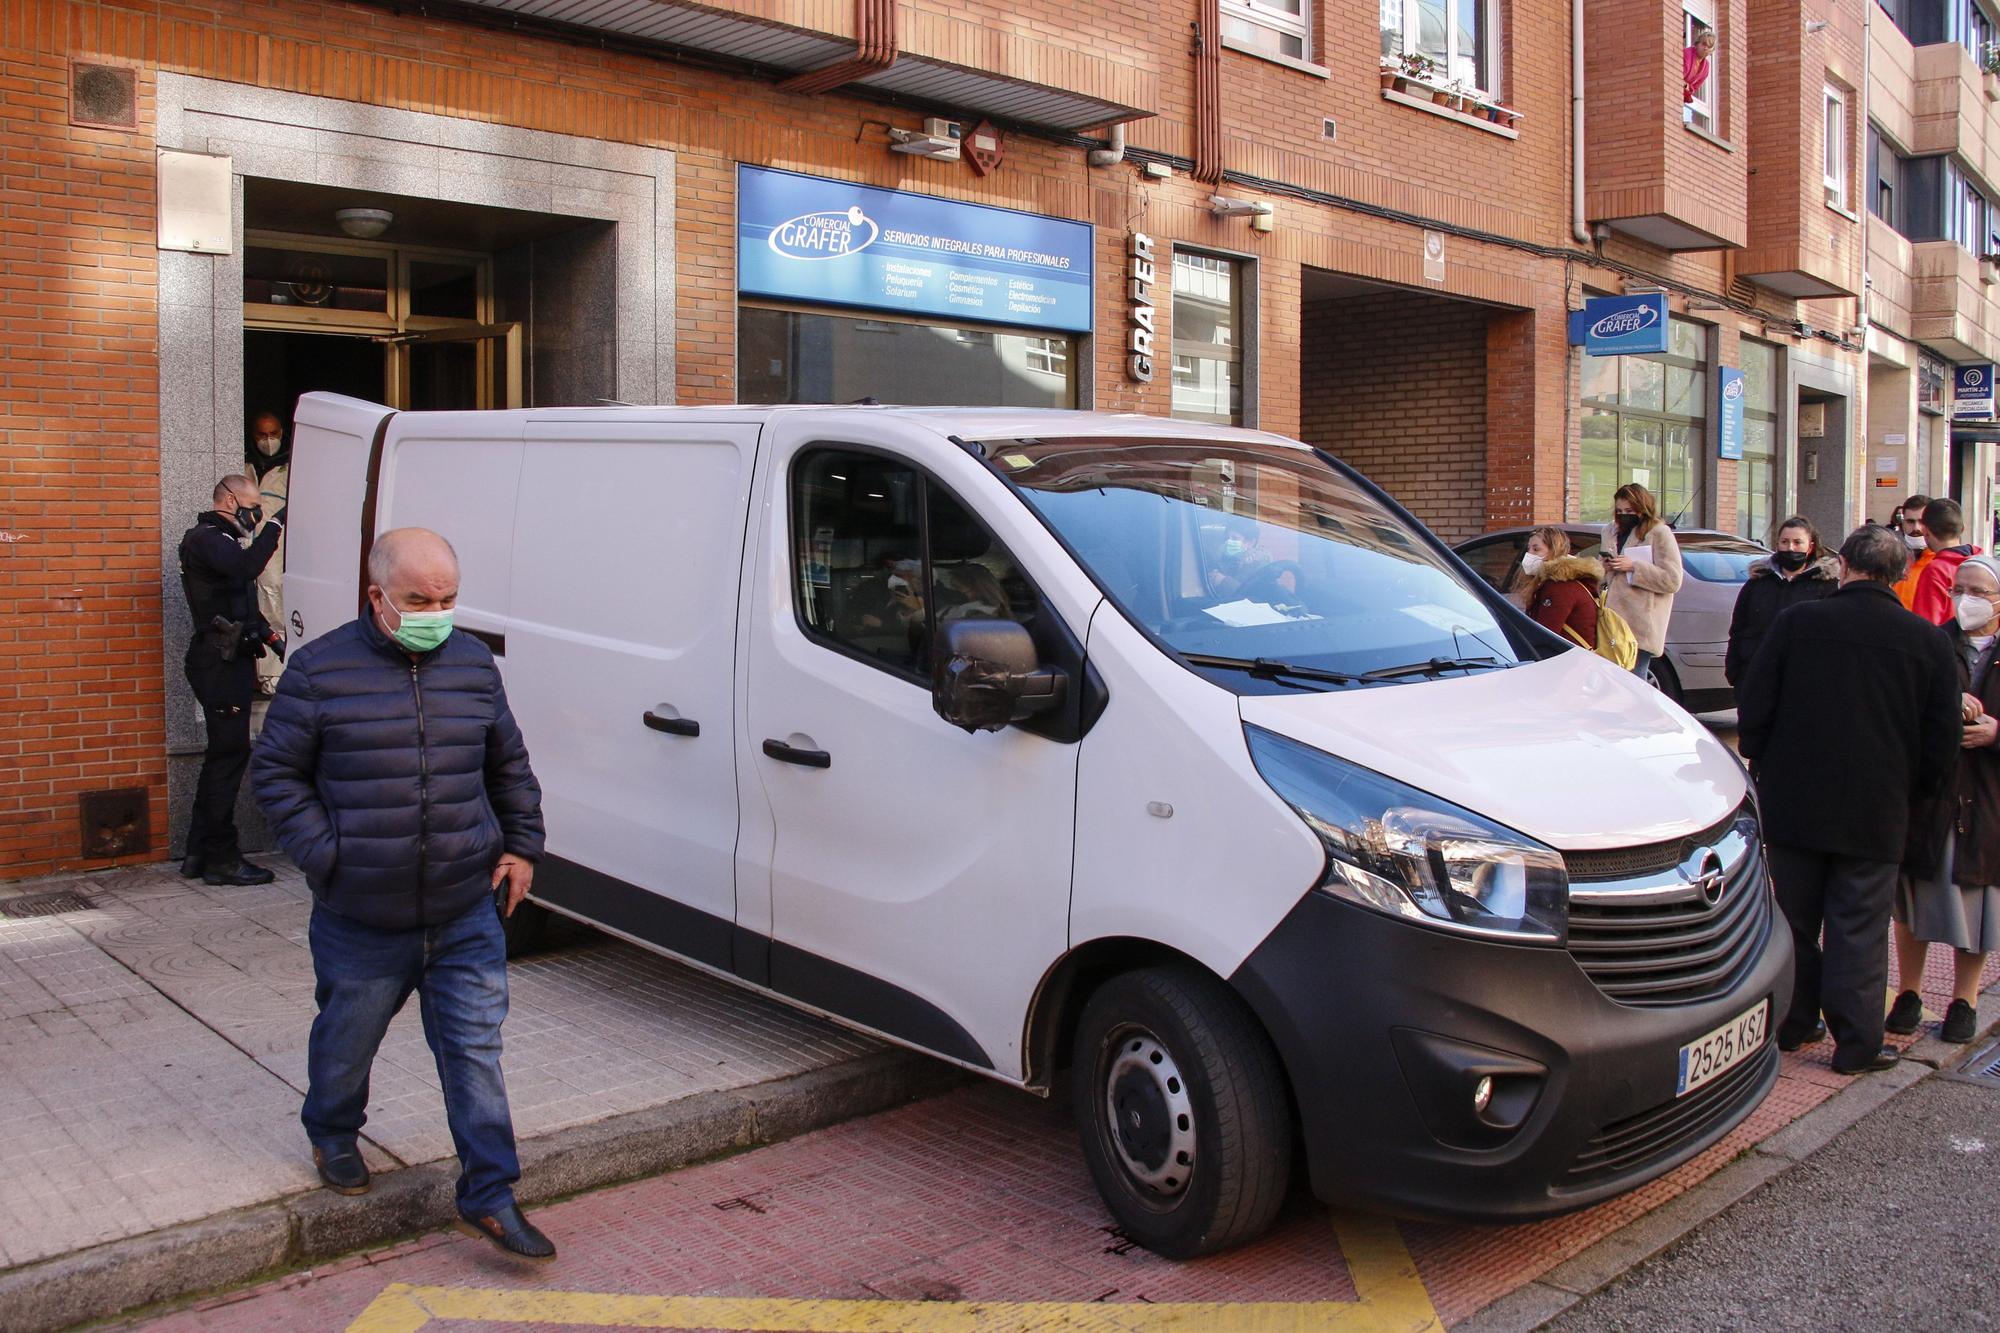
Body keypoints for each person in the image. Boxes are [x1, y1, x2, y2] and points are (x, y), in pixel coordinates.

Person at [249, 528, 555, 1263]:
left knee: (475, 1051)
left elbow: (507, 763)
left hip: (464, 910)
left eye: (448, 598)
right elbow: (275, 777)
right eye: (420, 599)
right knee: (347, 1041)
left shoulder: (474, 665)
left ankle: (489, 1192)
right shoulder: (321, 671)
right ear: (376, 593)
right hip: (364, 918)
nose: (437, 612)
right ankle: (331, 1130)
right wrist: (331, 858)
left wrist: (520, 845)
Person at [1737, 524, 1961, 1074]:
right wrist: (1917, 790)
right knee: (1859, 928)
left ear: (1846, 566)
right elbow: (1941, 740)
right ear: (1900, 574)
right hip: (1879, 805)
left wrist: (1762, 762)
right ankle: (1857, 1043)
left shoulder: (1799, 622)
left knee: (1792, 919)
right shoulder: (1927, 640)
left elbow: (1756, 703)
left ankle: (1792, 1023)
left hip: (1795, 798)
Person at [1892, 553, 2000, 1046]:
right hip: (1933, 793)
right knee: (1915, 896)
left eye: (1979, 592)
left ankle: (1965, 1000)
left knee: (1979, 899)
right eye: (1960, 589)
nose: (1966, 599)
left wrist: (1996, 733)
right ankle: (1908, 994)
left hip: (1988, 797)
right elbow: (1901, 705)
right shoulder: (1934, 642)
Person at [178, 475, 286, 886]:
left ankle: (198, 852)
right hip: (217, 663)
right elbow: (246, 567)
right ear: (228, 500)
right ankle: (222, 858)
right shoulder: (206, 538)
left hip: (232, 659)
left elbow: (243, 605)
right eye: (251, 505)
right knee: (227, 759)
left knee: (222, 759)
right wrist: (276, 526)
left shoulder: (226, 542)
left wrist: (275, 641)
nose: (255, 515)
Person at [1723, 516, 1839, 689]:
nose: (1790, 547)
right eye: (1784, 542)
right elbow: (1738, 629)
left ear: (1811, 546)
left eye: (1797, 542)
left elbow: (1834, 636)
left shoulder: (1827, 586)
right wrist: (1736, 673)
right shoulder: (1757, 583)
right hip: (1756, 680)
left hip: (1806, 683)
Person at [1600, 483, 1683, 679]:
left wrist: (1634, 566)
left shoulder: (1658, 533)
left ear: (1642, 508)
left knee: (1634, 682)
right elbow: (1601, 573)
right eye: (1619, 511)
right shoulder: (1610, 531)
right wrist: (1604, 568)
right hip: (1612, 621)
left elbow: (1672, 579)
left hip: (1641, 623)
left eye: (1629, 511)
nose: (1623, 515)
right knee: (1613, 682)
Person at [249, 411, 290, 698]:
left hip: (275, 554)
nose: (268, 441)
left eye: (273, 434)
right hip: (246, 552)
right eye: (262, 435)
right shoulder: (246, 468)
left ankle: (273, 676)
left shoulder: (290, 470)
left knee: (275, 610)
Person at [1518, 526, 1600, 647]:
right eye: (1528, 548)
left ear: (1554, 551)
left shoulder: (1559, 587)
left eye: (1536, 549)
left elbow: (1545, 635)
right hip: (1574, 658)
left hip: (1571, 660)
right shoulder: (1563, 582)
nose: (1529, 554)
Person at [1910, 497, 1982, 625]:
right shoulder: (1984, 565)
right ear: (1962, 529)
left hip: (1947, 642)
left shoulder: (1935, 571)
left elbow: (1926, 625)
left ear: (1925, 531)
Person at [1206, 518, 1275, 597]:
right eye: (1227, 538)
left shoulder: (1262, 566)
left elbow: (1255, 596)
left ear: (1251, 542)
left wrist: (1223, 581)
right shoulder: (1224, 557)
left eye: (1235, 538)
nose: (1228, 541)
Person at [1890, 494, 1933, 610]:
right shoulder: (1890, 559)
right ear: (1902, 522)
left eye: (1922, 522)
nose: (1916, 528)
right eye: (1910, 521)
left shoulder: (1940, 563)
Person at [1682, 25, 1716, 122]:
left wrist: (1687, 87)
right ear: (1697, 44)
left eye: (1709, 46)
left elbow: (1695, 87)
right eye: (1703, 44)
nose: (1706, 48)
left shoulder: (1706, 66)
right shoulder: (1687, 53)